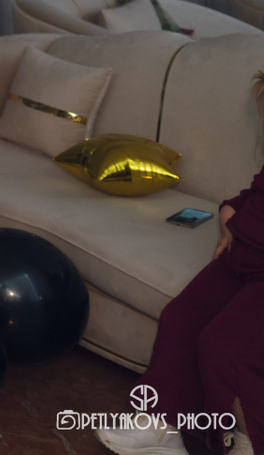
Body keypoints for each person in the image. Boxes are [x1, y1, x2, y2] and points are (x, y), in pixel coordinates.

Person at [97, 107, 263, 455]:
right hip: (242, 253)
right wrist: (229, 212)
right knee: (181, 318)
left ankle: (248, 442)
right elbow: (256, 191)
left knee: (226, 348)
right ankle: (161, 427)